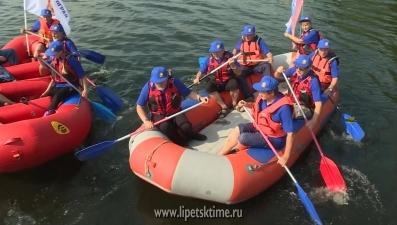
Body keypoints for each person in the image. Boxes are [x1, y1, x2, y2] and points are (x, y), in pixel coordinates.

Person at [218, 76, 294, 167]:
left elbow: (291, 133)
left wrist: (286, 156)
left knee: (243, 137)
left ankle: (237, 151)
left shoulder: (284, 109)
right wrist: (247, 105)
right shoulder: (263, 98)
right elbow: (257, 107)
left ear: (272, 93)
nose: (260, 93)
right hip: (260, 127)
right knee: (239, 128)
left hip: (274, 138)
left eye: (262, 91)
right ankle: (220, 155)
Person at [136, 67, 209, 147]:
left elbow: (188, 93)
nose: (159, 84)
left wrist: (199, 98)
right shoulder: (147, 88)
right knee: (165, 127)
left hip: (175, 111)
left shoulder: (175, 82)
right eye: (157, 82)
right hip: (158, 114)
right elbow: (139, 106)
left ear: (167, 78)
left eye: (162, 81)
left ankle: (192, 134)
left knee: (186, 126)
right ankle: (181, 143)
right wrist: (146, 121)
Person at [39, 41, 89, 116]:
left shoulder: (72, 60)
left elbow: (83, 76)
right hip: (58, 85)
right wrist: (39, 59)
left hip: (70, 86)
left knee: (58, 95)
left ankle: (48, 113)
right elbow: (45, 66)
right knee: (51, 93)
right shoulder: (54, 58)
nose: (52, 55)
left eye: (54, 53)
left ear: (61, 52)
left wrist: (85, 90)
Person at [193, 40, 241, 118]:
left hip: (227, 81)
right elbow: (201, 71)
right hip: (216, 82)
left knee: (234, 83)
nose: (215, 54)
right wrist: (197, 78)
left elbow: (239, 73)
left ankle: (234, 104)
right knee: (208, 86)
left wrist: (233, 65)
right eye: (213, 52)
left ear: (223, 50)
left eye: (218, 52)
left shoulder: (230, 57)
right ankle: (224, 107)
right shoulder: (209, 60)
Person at [274, 54, 322, 130]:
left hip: (305, 107)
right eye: (297, 67)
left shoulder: (313, 81)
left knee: (284, 112)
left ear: (309, 68)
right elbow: (277, 76)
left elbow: (318, 104)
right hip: (291, 101)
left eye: (302, 68)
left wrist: (313, 121)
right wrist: (278, 71)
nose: (298, 70)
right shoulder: (295, 70)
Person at [232, 25, 274, 102]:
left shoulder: (259, 41)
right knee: (239, 75)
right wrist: (232, 58)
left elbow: (268, 53)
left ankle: (267, 88)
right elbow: (234, 52)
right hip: (244, 66)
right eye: (245, 35)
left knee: (267, 66)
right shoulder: (241, 41)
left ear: (254, 34)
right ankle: (249, 96)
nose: (247, 37)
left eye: (249, 35)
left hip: (256, 65)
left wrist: (270, 57)